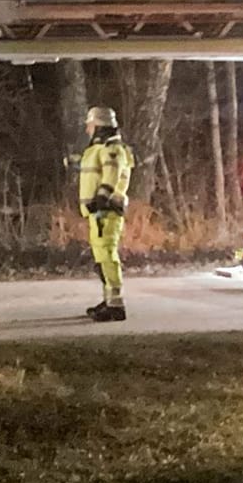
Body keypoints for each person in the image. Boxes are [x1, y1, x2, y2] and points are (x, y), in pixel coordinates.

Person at [78, 106, 135, 322]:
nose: (87, 129)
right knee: (101, 257)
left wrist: (101, 199)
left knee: (108, 256)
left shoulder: (112, 149)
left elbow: (111, 175)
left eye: (90, 125)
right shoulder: (100, 149)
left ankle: (116, 305)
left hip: (106, 211)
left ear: (99, 126)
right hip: (97, 211)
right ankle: (108, 300)